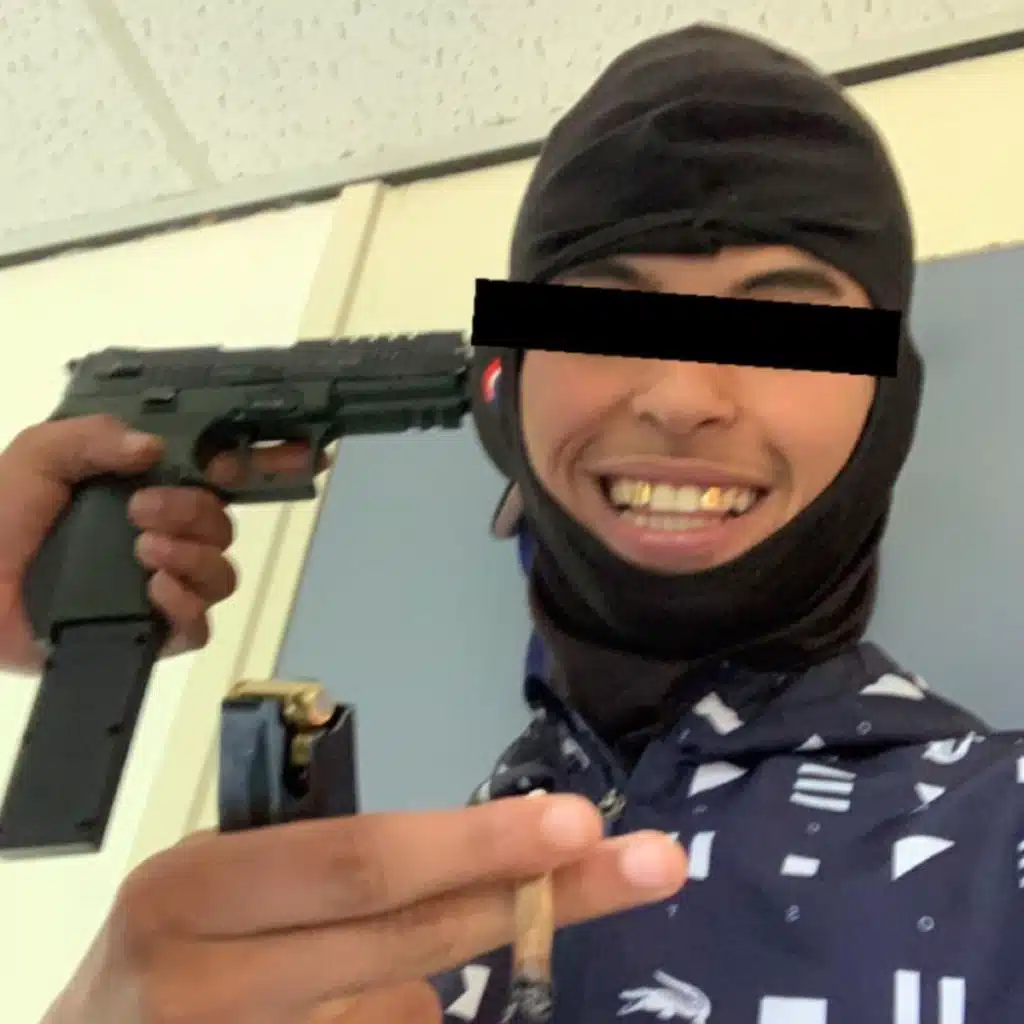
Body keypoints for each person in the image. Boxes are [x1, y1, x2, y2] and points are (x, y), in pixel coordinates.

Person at [4, 20, 1016, 1024]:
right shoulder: (390, 916)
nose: (680, 397)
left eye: (786, 326)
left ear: (889, 403)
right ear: (509, 389)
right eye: (602, 317)